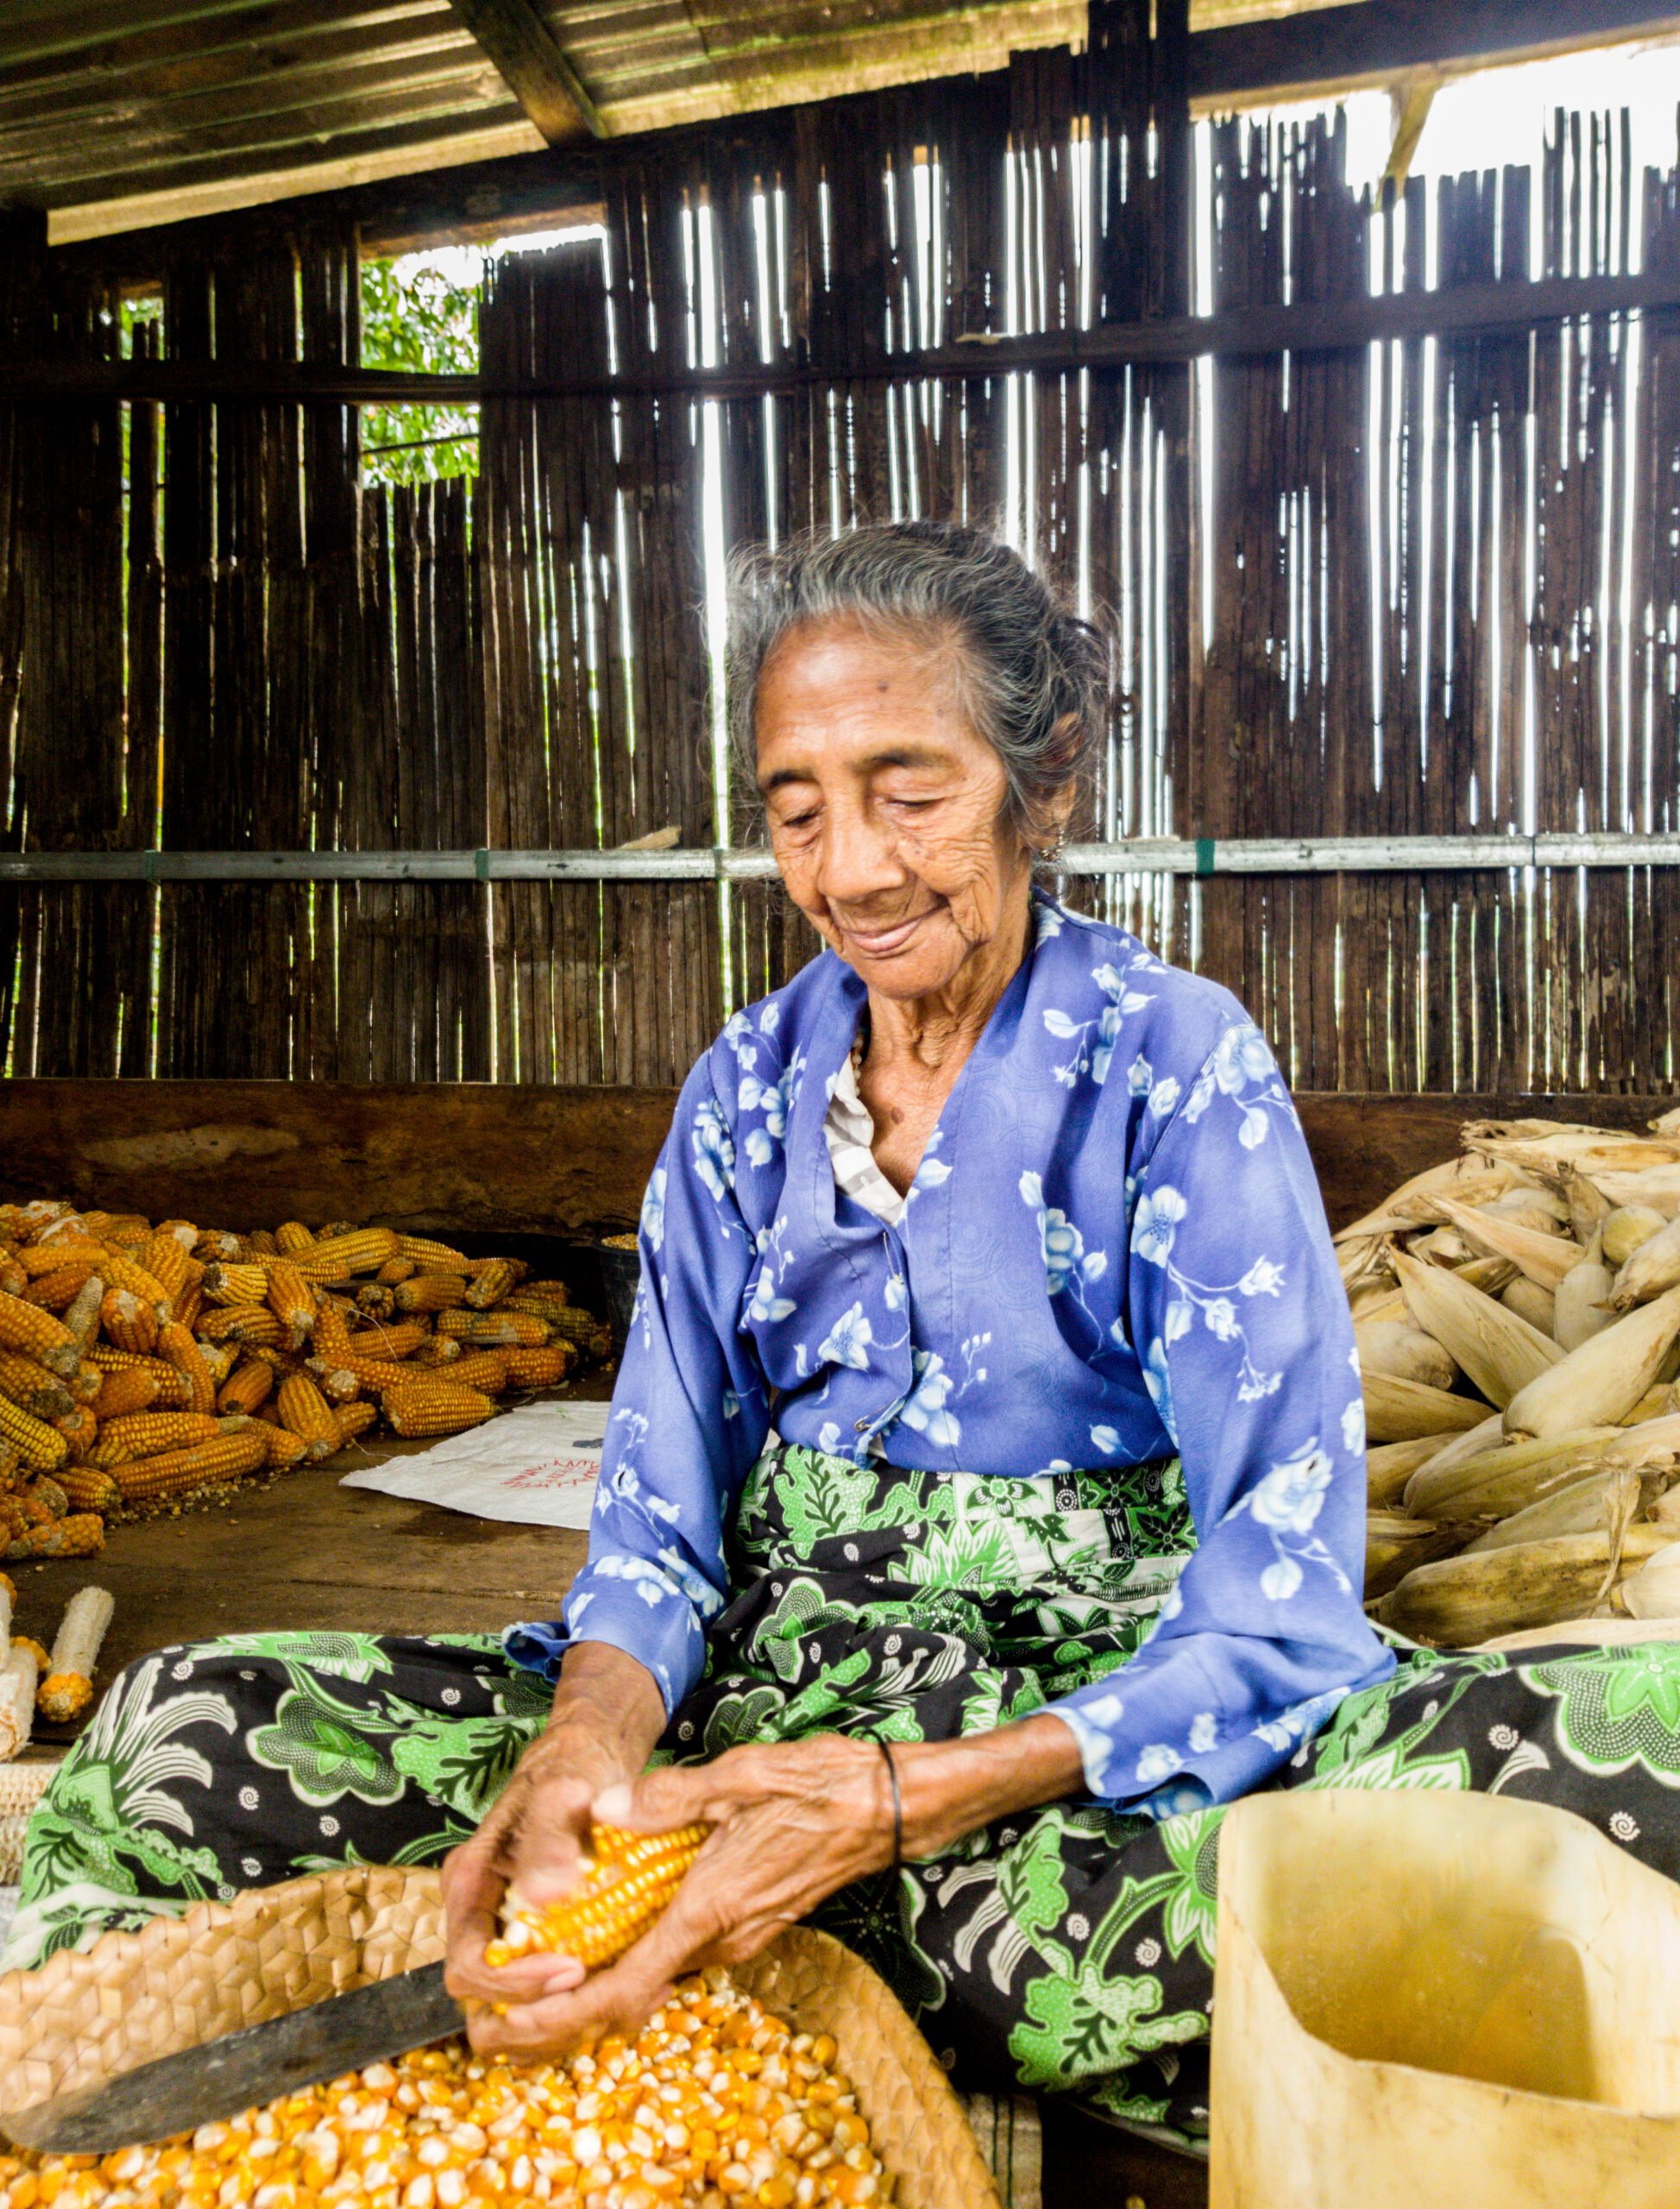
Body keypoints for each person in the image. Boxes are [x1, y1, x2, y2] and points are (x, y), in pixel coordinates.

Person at [13, 523, 1680, 2149]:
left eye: (910, 790)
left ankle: (823, 1932)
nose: (854, 869)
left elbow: (1280, 1572)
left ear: (1044, 782)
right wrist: (589, 1753)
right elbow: (657, 1533)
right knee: (181, 1727)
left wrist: (902, 1798)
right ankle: (821, 1942)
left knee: (1628, 1761)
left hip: (1080, 1730)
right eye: (798, 811)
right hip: (754, 1713)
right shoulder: (744, 1090)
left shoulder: (1175, 1066)